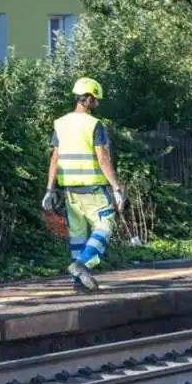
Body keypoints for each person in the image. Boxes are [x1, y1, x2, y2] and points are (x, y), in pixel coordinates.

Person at [42, 77, 124, 291]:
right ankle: (82, 264)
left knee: (78, 235)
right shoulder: (94, 125)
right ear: (86, 99)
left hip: (70, 190)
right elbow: (102, 158)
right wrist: (116, 187)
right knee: (104, 228)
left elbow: (54, 158)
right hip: (94, 188)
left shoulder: (60, 123)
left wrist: (49, 189)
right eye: (94, 99)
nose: (96, 103)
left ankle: (78, 283)